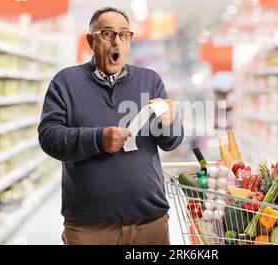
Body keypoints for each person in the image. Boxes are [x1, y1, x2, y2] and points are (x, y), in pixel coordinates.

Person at [37, 7, 184, 245]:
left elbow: (170, 142)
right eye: (107, 34)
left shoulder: (150, 79)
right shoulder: (66, 82)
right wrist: (98, 140)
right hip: (89, 228)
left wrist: (169, 122)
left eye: (124, 35)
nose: (117, 41)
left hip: (150, 224)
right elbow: (49, 137)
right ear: (90, 40)